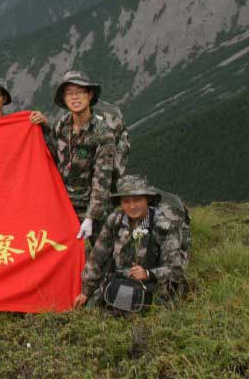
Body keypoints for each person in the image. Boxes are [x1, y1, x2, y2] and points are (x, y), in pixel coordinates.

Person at [73, 175, 188, 309]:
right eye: (126, 201)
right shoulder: (115, 221)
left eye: (137, 200)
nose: (132, 206)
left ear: (148, 199)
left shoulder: (164, 226)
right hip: (116, 284)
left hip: (153, 290)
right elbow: (97, 257)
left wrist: (148, 273)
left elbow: (176, 269)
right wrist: (86, 292)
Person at [29, 71, 116, 242]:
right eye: (69, 93)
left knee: (103, 257)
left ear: (89, 95)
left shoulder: (103, 133)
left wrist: (91, 217)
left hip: (91, 205)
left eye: (79, 92)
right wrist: (43, 128)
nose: (74, 97)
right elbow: (50, 157)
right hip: (63, 204)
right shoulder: (62, 125)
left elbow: (102, 179)